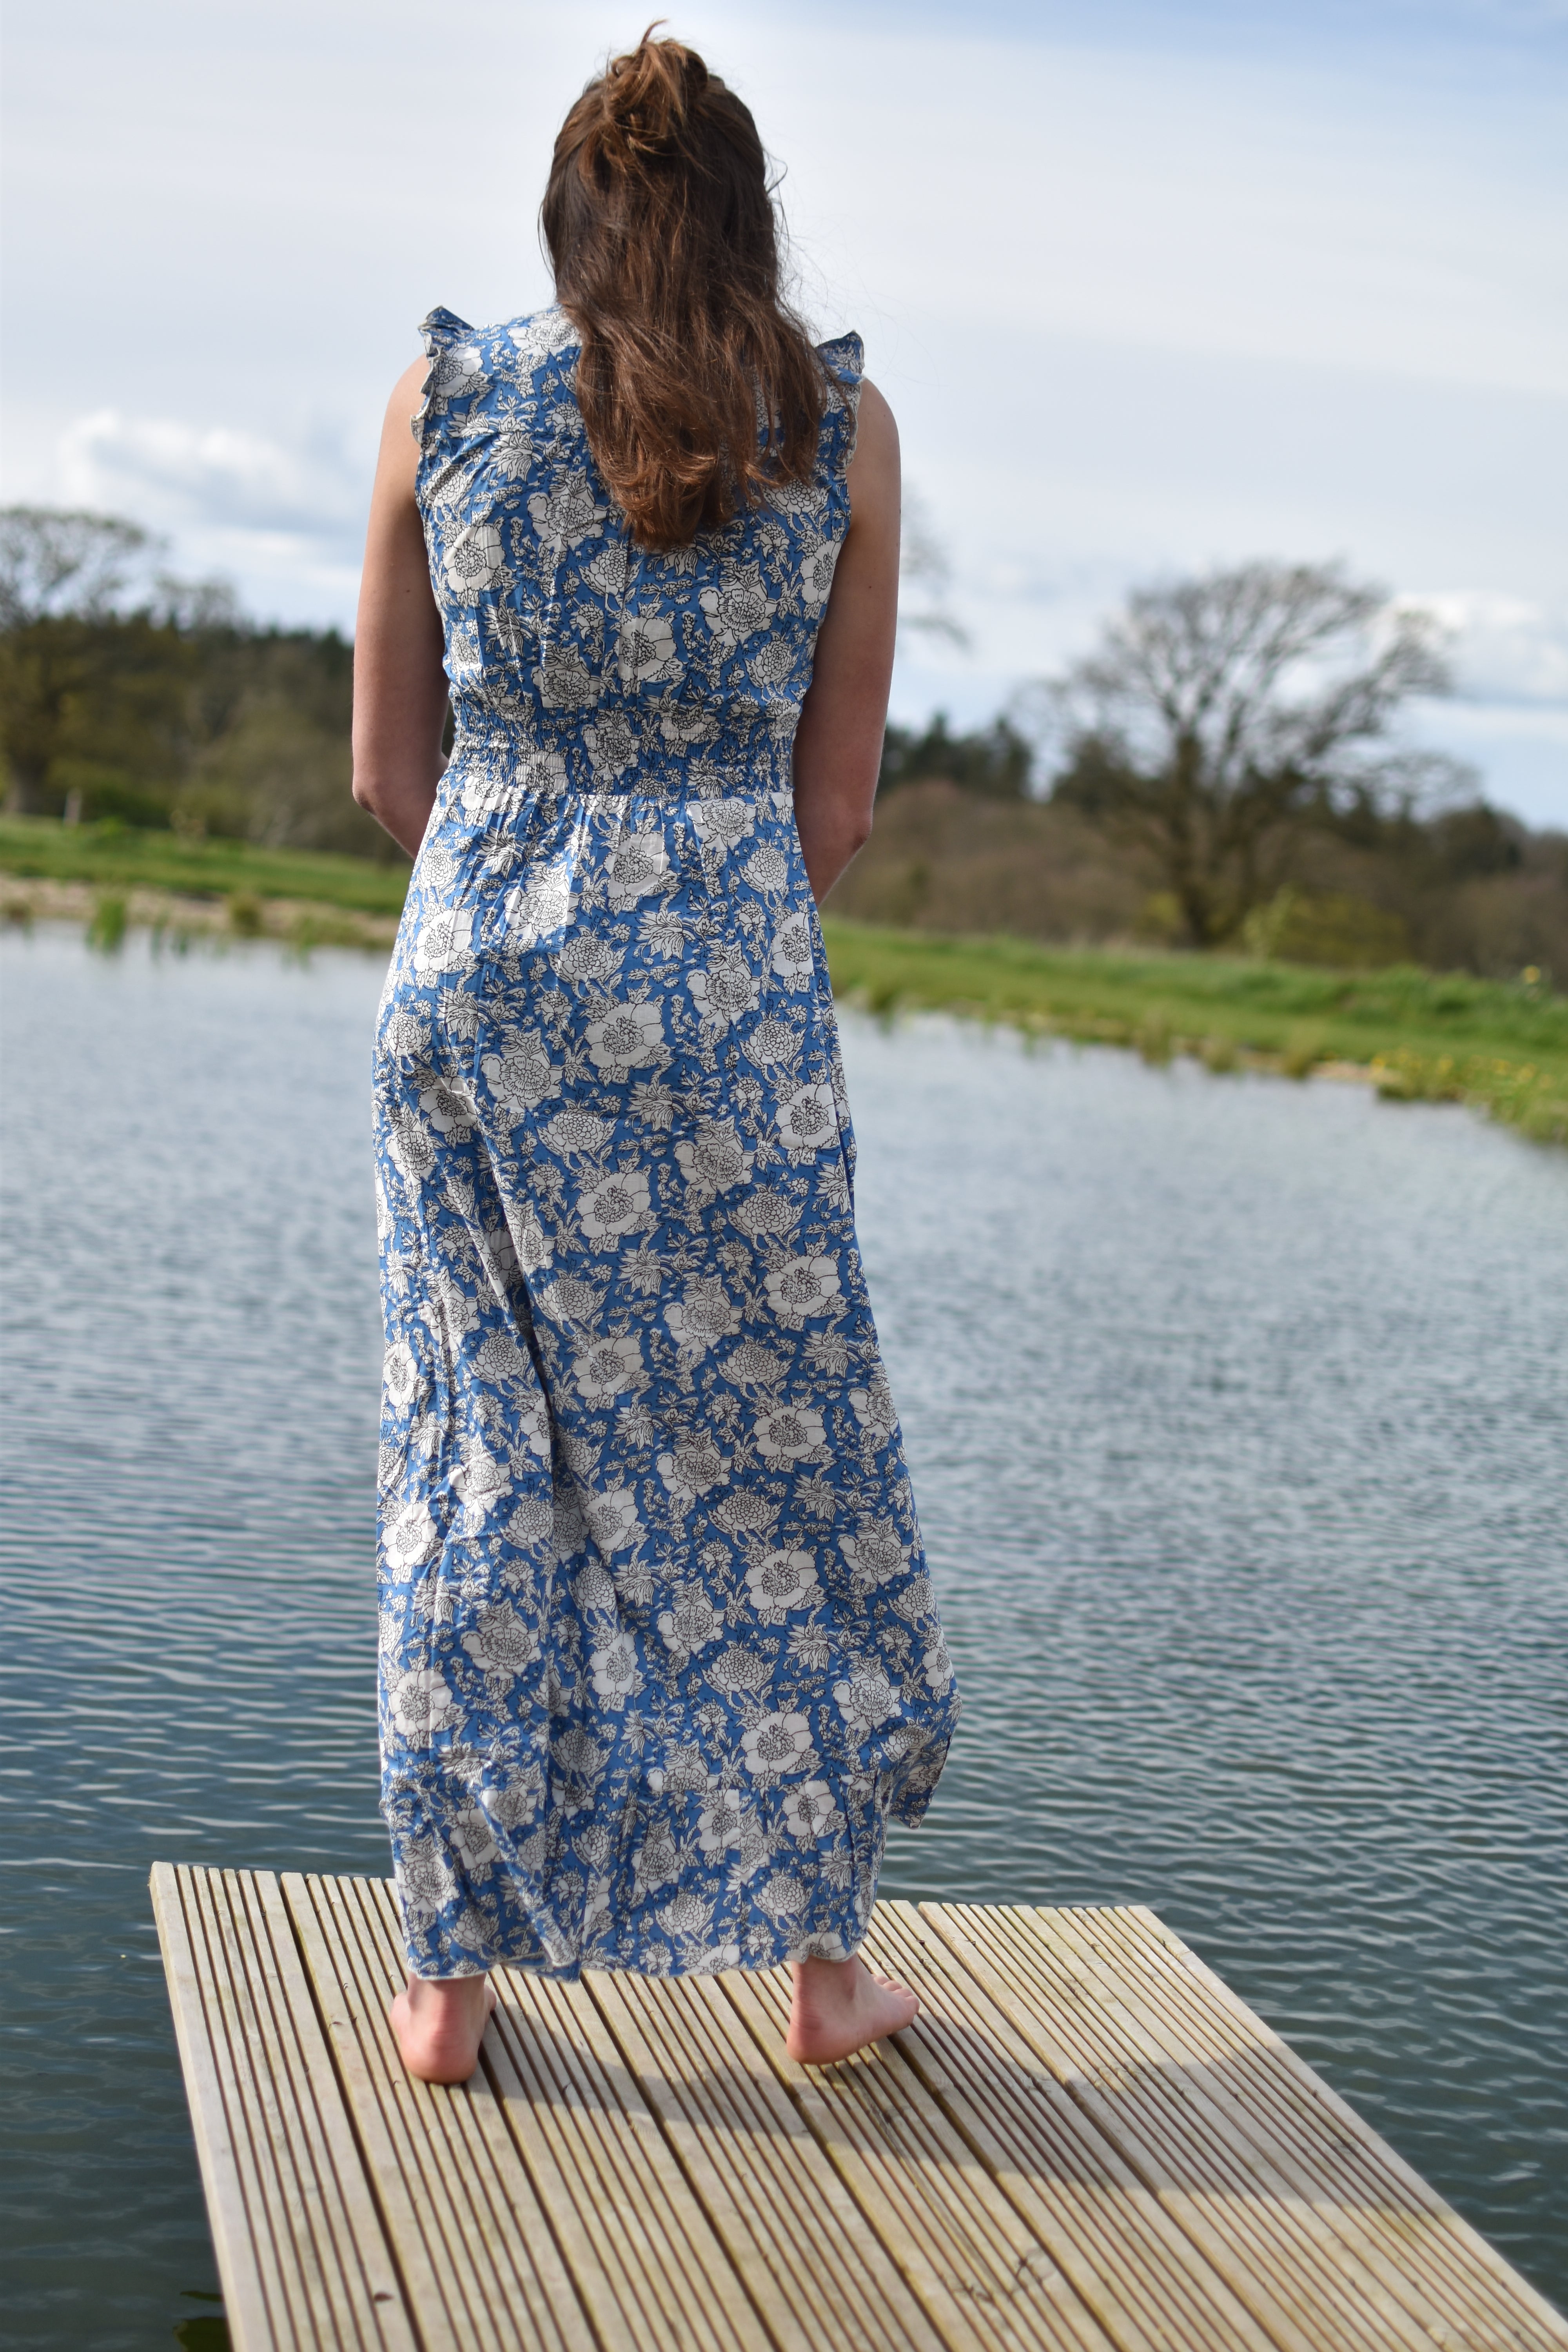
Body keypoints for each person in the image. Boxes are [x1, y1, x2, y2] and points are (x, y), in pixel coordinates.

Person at [351, 30, 958, 2085]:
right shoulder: (842, 426)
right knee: (772, 1462)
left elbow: (382, 764)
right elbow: (843, 801)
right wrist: (687, 918)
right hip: (720, 979)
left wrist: (518, 884)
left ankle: (447, 1976)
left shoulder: (440, 401)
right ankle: (817, 1978)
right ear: (747, 217)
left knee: (476, 1453)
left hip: (476, 961)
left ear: (574, 215)